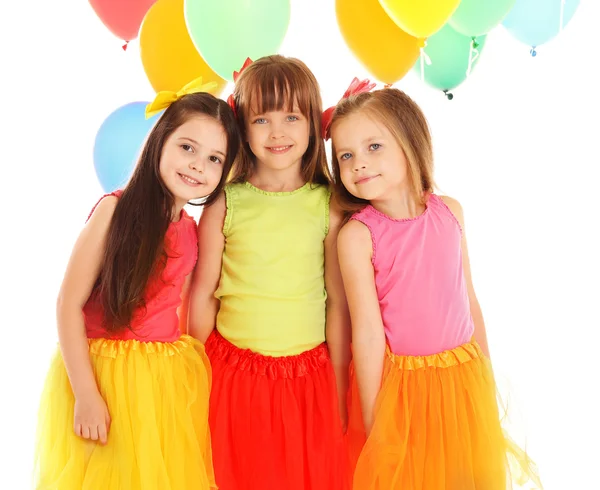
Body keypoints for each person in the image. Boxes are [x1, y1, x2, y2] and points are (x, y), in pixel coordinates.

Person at [327, 84, 542, 489]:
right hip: (403, 391)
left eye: (374, 147)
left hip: (461, 378)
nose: (358, 164)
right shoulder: (358, 237)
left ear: (410, 142)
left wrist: (485, 375)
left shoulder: (451, 212)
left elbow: (469, 302)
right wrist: (375, 419)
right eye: (346, 155)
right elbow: (368, 335)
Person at [33, 79, 241, 490]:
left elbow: (180, 306)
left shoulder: (190, 229)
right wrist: (87, 396)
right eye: (187, 147)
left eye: (215, 158)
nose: (199, 165)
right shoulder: (115, 210)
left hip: (160, 381)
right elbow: (67, 304)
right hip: (104, 377)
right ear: (160, 141)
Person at [188, 55, 350, 490]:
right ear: (242, 127)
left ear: (314, 124)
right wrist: (192, 375)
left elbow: (336, 303)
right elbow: (204, 295)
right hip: (233, 376)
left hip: (307, 380)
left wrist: (337, 387)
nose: (277, 132)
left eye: (292, 116)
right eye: (262, 119)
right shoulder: (226, 202)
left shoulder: (329, 203)